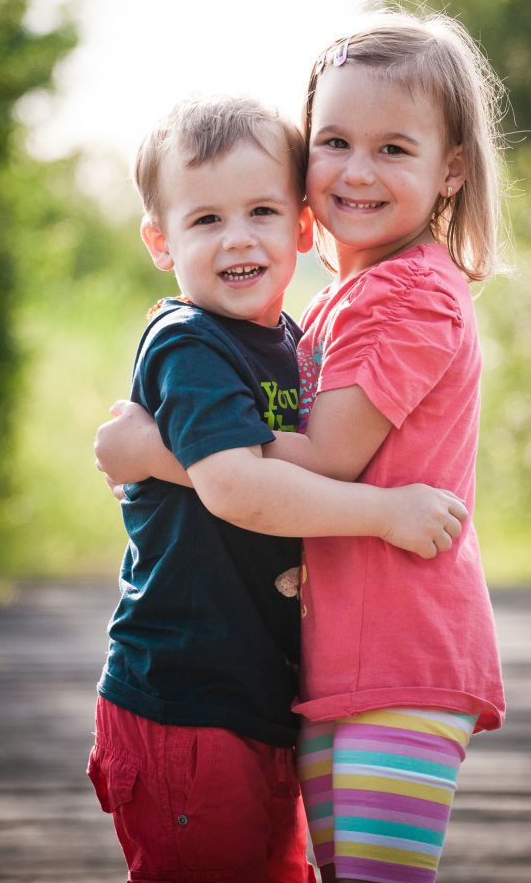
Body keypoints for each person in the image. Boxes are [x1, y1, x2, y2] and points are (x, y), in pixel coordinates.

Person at [88, 93, 468, 883]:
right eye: (205, 221)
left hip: (252, 697)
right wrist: (385, 515)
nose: (238, 239)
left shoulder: (288, 344)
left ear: (301, 225)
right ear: (160, 242)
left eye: (261, 210)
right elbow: (237, 489)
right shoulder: (188, 344)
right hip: (184, 695)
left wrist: (149, 452)